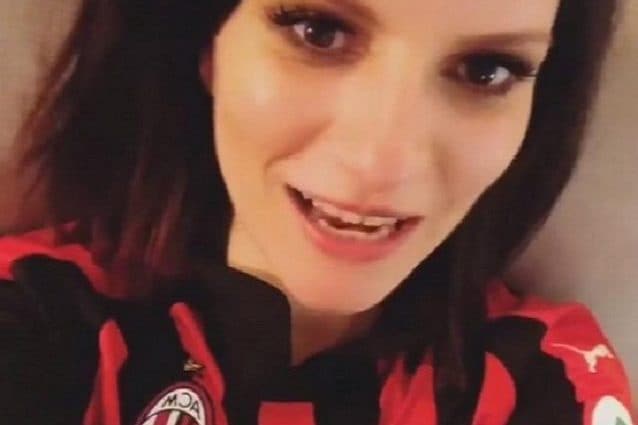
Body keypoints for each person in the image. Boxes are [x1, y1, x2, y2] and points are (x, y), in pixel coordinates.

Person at [0, 0, 633, 424]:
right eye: (318, 32)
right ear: (208, 44)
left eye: (486, 70)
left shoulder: (543, 378)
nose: (381, 163)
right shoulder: (36, 313)